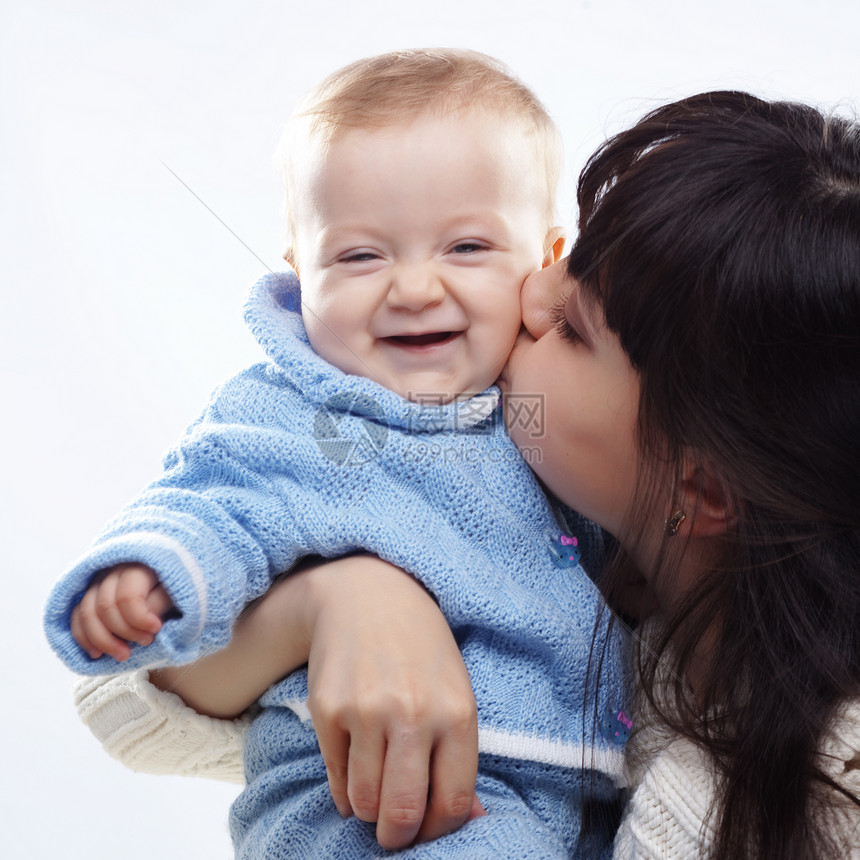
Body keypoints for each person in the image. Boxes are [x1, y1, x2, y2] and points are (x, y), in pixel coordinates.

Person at [73, 89, 860, 859]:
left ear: (703, 489)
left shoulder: (799, 787)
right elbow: (128, 681)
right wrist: (327, 597)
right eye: (573, 257)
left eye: (575, 329)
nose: (534, 289)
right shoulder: (399, 427)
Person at [44, 49, 631, 859]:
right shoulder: (296, 413)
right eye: (361, 256)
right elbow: (217, 497)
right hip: (359, 804)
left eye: (466, 248)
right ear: (300, 271)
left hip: (576, 791)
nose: (415, 288)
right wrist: (155, 576)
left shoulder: (554, 405)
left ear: (543, 262)